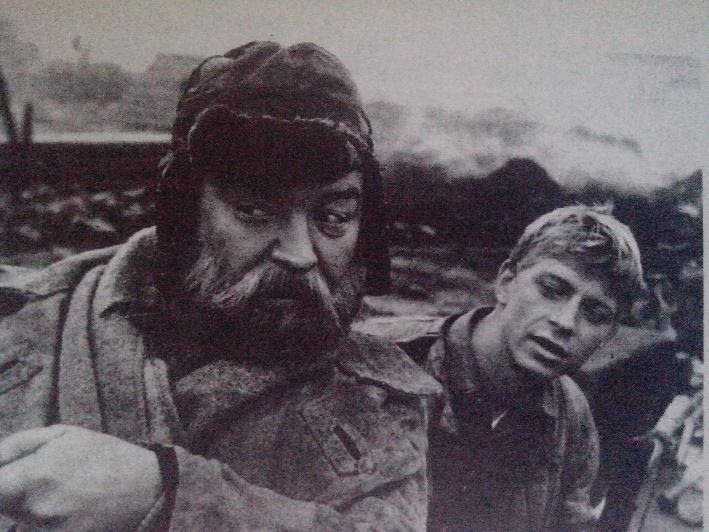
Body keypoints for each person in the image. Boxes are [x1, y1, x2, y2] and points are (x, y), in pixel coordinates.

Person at [0, 41, 441, 531]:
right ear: (185, 211)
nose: (300, 254)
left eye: (333, 217)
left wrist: (167, 496)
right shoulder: (24, 327)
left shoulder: (381, 404)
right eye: (253, 210)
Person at [422, 205, 647, 531]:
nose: (565, 322)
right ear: (506, 282)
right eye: (552, 290)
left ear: (608, 335)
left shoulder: (573, 418)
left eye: (595, 314)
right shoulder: (385, 362)